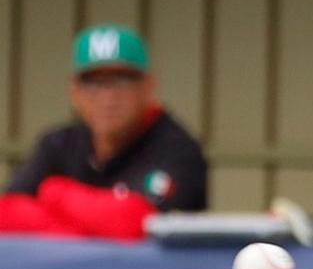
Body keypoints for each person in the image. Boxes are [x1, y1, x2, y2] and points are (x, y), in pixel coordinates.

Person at [2, 24, 208, 238]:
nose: (108, 98)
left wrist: (55, 194)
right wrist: (85, 228)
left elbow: (135, 224)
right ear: (74, 92)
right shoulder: (57, 144)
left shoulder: (179, 151)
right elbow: (6, 214)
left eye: (123, 81)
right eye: (93, 82)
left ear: (148, 87)